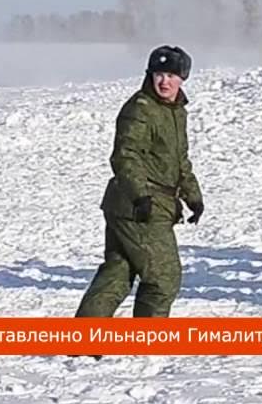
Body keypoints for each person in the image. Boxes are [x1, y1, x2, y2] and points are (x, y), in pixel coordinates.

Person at [75, 45, 205, 319]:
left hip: (139, 203)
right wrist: (140, 196)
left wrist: (193, 196)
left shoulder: (174, 110)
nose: (164, 81)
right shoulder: (140, 109)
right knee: (163, 277)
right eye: (158, 74)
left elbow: (178, 159)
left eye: (171, 75)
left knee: (119, 271)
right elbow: (125, 154)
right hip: (140, 205)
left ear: (183, 77)